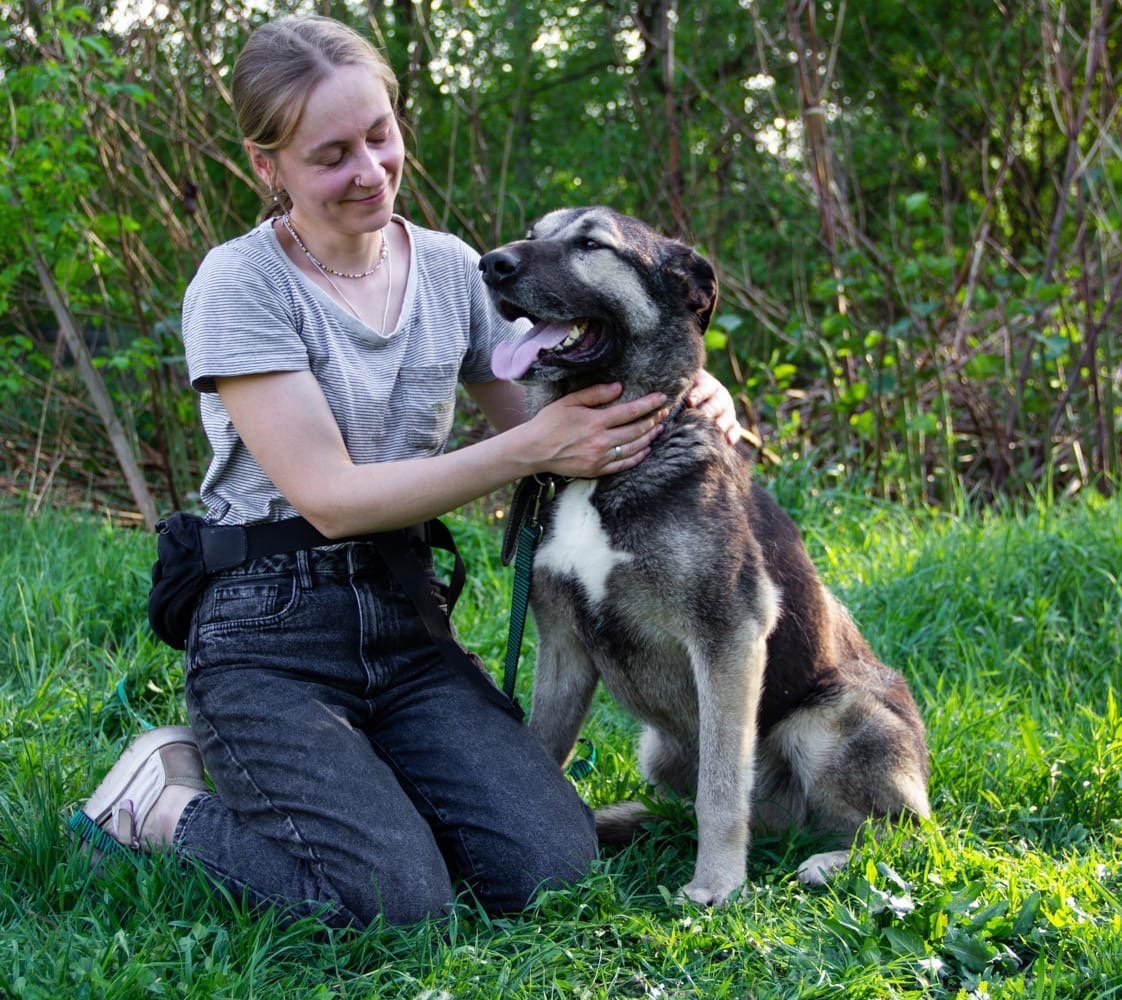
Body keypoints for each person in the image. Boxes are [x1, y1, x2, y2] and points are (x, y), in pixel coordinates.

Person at [70, 14, 742, 928]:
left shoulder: (449, 270)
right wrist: (527, 450)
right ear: (268, 167)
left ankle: (375, 790)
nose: (370, 170)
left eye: (380, 136)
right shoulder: (239, 286)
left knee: (553, 866)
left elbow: (559, 415)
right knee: (391, 903)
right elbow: (332, 499)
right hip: (267, 624)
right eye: (331, 154)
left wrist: (694, 392)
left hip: (404, 612)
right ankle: (159, 802)